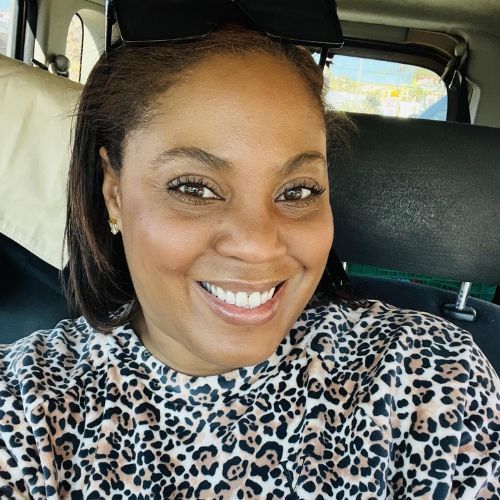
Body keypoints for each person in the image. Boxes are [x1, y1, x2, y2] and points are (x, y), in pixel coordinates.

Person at [0, 26, 498, 499]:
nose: (259, 245)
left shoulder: (425, 375)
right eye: (194, 188)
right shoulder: (25, 406)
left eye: (298, 190)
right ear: (114, 192)